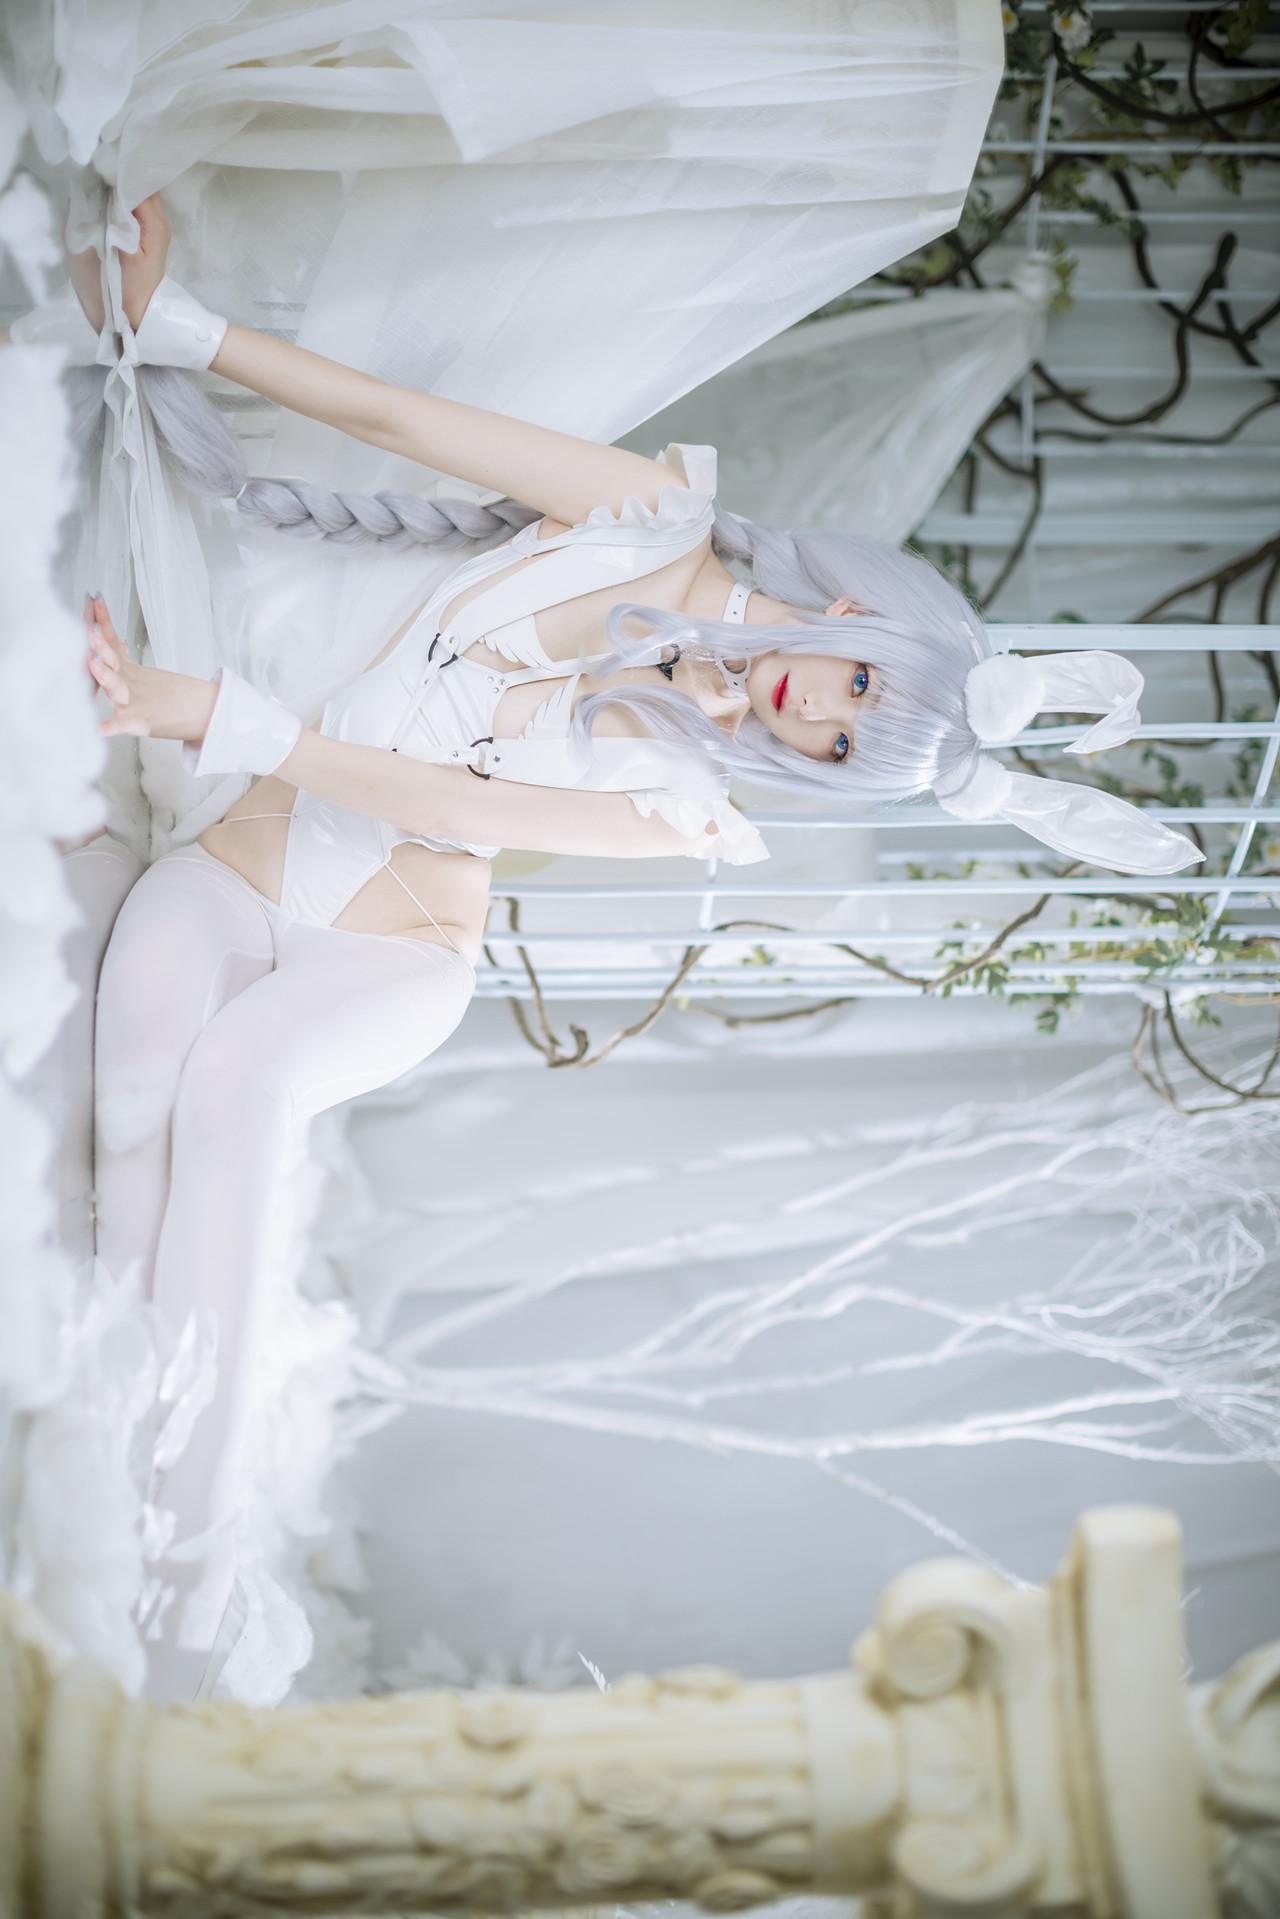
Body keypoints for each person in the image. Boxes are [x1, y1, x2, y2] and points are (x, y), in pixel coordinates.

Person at [25, 191, 1200, 1704]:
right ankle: (103, 1446)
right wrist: (184, 329)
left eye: (848, 746)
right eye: (857, 685)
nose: (821, 717)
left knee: (235, 1088)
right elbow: (405, 420)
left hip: (387, 955)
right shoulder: (653, 517)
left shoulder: (688, 799)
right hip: (245, 858)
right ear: (852, 612)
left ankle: (187, 1577)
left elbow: (453, 806)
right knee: (134, 1082)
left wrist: (229, 722)